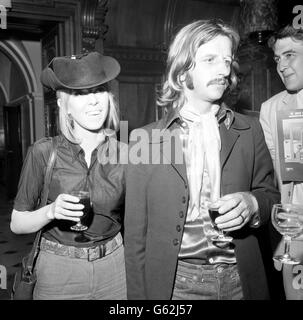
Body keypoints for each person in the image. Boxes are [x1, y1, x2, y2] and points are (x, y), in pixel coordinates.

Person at [124, 19, 280, 300]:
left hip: (241, 281)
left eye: (227, 61)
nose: (223, 70)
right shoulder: (144, 140)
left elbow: (270, 195)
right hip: (177, 286)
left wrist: (252, 203)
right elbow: (135, 237)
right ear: (182, 72)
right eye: (210, 59)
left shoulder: (249, 130)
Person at [10, 52, 127, 300]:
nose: (94, 101)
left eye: (99, 91)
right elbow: (18, 224)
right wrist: (51, 211)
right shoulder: (43, 152)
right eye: (81, 93)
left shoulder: (127, 155)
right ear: (64, 104)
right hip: (58, 271)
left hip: (115, 268)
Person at [260, 25, 303, 299]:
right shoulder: (272, 108)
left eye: (290, 55)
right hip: (296, 234)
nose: (282, 66)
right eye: (277, 59)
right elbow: (276, 176)